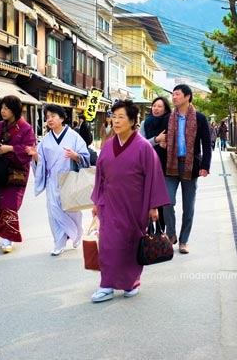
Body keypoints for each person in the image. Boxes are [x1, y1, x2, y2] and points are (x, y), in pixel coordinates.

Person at [89, 100, 170, 303]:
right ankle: (106, 284)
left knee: (130, 243)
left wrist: (153, 206)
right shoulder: (108, 146)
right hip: (109, 202)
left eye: (121, 117)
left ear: (132, 121)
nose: (116, 121)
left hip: (134, 205)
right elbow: (99, 175)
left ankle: (131, 282)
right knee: (107, 243)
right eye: (114, 117)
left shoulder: (143, 147)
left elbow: (154, 176)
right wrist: (96, 201)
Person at [28, 104, 90, 256]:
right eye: (47, 117)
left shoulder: (74, 137)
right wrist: (35, 156)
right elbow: (41, 162)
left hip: (69, 179)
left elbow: (85, 157)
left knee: (72, 211)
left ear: (62, 118)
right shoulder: (45, 141)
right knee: (54, 212)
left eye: (53, 116)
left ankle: (76, 232)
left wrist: (75, 156)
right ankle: (59, 243)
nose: (49, 119)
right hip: (52, 181)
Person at [162, 84, 212, 254]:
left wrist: (205, 166)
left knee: (188, 206)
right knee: (167, 200)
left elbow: (206, 143)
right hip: (171, 164)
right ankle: (171, 235)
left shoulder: (199, 118)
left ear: (187, 97)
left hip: (190, 165)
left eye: (177, 94)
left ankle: (184, 240)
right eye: (173, 94)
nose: (174, 97)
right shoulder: (169, 117)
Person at [0, 95, 35, 253]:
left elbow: (30, 150)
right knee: (1, 202)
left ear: (15, 110)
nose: (3, 111)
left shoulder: (26, 128)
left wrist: (11, 148)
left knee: (10, 203)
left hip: (17, 171)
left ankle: (8, 237)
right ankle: (5, 234)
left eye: (6, 108)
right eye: (2, 108)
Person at [139, 96, 171, 230]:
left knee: (162, 200)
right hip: (147, 166)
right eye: (154, 106)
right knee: (147, 199)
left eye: (159, 106)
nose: (156, 109)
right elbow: (140, 145)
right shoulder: (145, 123)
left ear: (165, 109)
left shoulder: (171, 122)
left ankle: (161, 233)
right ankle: (148, 233)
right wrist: (156, 140)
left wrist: (167, 145)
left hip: (165, 167)